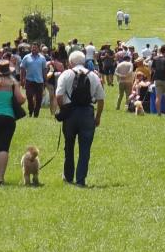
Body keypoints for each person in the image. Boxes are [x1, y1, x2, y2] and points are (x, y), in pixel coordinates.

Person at [56, 50, 106, 187]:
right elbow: (101, 99)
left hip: (70, 113)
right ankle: (80, 179)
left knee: (69, 147)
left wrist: (63, 109)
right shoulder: (94, 76)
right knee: (85, 149)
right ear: (84, 62)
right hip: (87, 114)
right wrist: (98, 117)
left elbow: (59, 96)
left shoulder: (65, 75)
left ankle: (68, 176)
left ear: (70, 62)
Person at [20, 45, 47, 117]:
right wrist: (21, 79)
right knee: (29, 96)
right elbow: (22, 69)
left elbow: (44, 69)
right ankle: (30, 110)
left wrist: (45, 80)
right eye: (33, 47)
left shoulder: (42, 58)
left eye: (35, 47)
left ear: (38, 49)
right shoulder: (26, 57)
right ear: (31, 49)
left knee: (39, 99)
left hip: (39, 81)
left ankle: (36, 114)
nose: (34, 49)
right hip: (29, 80)